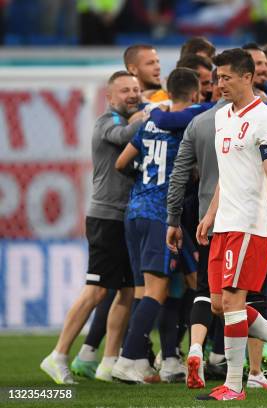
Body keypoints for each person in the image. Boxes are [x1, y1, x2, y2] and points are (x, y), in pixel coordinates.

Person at [193, 48, 267, 401]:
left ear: (247, 77)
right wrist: (211, 213)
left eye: (226, 77)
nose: (220, 84)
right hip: (225, 221)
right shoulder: (222, 117)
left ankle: (233, 385)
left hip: (249, 224)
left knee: (232, 301)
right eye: (218, 77)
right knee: (218, 304)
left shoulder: (265, 119)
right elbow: (227, 175)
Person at [40, 71, 143, 384]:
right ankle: (57, 355)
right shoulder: (105, 121)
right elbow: (122, 137)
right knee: (97, 289)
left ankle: (109, 362)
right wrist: (148, 116)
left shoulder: (135, 118)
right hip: (105, 217)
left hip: (127, 216)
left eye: (136, 89)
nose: (133, 94)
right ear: (110, 96)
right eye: (125, 90)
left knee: (126, 290)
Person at [111, 68, 202, 384]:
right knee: (158, 289)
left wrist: (147, 181)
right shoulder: (189, 125)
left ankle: (142, 360)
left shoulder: (151, 121)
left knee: (144, 289)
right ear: (194, 95)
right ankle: (126, 359)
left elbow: (121, 163)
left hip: (135, 211)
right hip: (161, 216)